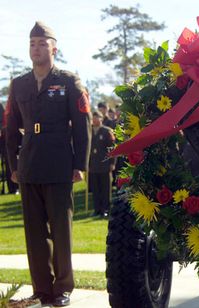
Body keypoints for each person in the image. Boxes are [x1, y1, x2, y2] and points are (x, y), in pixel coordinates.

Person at [5, 21, 91, 307]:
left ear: (55, 48)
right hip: (28, 164)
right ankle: (41, 289)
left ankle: (63, 287)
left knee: (61, 229)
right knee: (34, 233)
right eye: (32, 44)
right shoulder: (18, 84)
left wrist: (80, 163)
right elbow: (10, 127)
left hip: (58, 163)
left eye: (42, 43)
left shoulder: (68, 81)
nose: (37, 48)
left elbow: (82, 124)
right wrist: (12, 167)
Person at [89, 111, 116, 217]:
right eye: (93, 118)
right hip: (93, 165)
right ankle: (97, 209)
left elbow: (112, 148)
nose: (95, 120)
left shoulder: (107, 131)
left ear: (101, 119)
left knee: (105, 188)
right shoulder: (89, 131)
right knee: (95, 188)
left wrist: (112, 162)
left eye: (97, 117)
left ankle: (105, 209)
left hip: (105, 164)